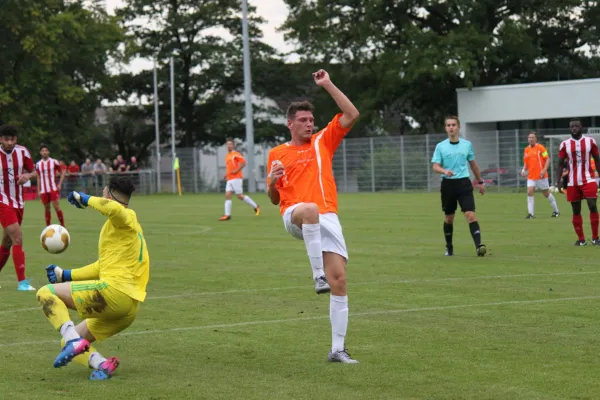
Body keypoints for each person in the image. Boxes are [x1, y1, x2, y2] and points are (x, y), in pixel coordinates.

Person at [266, 69, 360, 363]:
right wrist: (271, 181)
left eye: (311, 120)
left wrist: (328, 84)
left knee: (340, 280)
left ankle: (337, 349)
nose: (309, 124)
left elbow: (351, 113)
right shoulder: (277, 153)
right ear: (290, 124)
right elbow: (274, 199)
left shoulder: (323, 142)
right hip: (294, 215)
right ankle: (316, 273)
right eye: (303, 120)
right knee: (310, 209)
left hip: (326, 217)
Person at [36, 175, 149, 380]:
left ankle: (73, 343)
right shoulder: (120, 227)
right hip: (128, 308)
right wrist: (66, 275)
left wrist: (84, 198)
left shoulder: (126, 216)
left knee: (45, 293)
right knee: (72, 339)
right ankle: (103, 364)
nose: (102, 192)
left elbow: (114, 208)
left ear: (109, 193)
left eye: (104, 190)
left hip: (114, 294)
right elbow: (102, 266)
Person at [431, 116, 487, 257]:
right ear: (446, 128)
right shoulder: (440, 146)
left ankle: (478, 247)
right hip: (448, 185)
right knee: (449, 218)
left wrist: (480, 182)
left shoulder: (467, 145)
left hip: (464, 183)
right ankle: (449, 247)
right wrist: (444, 171)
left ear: (458, 127)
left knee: (470, 215)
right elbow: (435, 166)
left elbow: (473, 164)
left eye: (453, 125)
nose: (451, 127)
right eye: (448, 125)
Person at [0, 125, 36, 291]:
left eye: (12, 139)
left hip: (19, 203)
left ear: (16, 139)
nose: (9, 142)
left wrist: (27, 175)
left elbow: (34, 171)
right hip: (2, 201)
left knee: (7, 242)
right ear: (1, 139)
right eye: (6, 139)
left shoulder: (23, 152)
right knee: (17, 237)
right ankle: (22, 283)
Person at [554, 119, 600, 246]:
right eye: (572, 127)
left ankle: (596, 238)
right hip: (572, 182)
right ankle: (581, 239)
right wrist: (558, 181)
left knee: (592, 205)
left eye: (576, 126)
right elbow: (559, 163)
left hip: (588, 179)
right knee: (576, 210)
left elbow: (597, 159)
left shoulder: (590, 141)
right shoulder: (565, 144)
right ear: (570, 129)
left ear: (581, 127)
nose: (574, 128)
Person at [218, 139, 260, 221]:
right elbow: (230, 167)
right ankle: (227, 215)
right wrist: (226, 174)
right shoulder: (227, 156)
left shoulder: (235, 154)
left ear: (233, 145)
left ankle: (256, 206)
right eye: (227, 144)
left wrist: (237, 170)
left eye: (230, 144)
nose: (229, 146)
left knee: (240, 196)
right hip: (230, 179)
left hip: (236, 178)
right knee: (227, 195)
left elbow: (243, 162)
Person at [520, 131, 560, 219]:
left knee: (546, 194)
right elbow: (526, 162)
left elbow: (548, 159)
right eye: (529, 138)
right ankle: (531, 214)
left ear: (535, 139)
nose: (530, 139)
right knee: (530, 192)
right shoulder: (526, 149)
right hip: (531, 176)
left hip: (541, 176)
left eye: (532, 137)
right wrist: (523, 169)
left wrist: (544, 170)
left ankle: (556, 211)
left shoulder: (540, 148)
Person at [35, 145, 66, 226]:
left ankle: (62, 225)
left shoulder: (54, 162)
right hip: (44, 190)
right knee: (47, 208)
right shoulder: (38, 164)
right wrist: (38, 190)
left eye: (46, 150)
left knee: (56, 207)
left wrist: (59, 184)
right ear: (41, 153)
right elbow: (38, 177)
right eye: (43, 151)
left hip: (53, 188)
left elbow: (62, 172)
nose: (44, 152)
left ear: (48, 152)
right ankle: (48, 227)